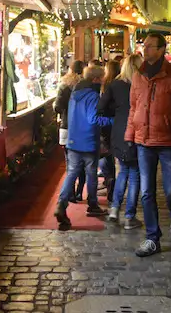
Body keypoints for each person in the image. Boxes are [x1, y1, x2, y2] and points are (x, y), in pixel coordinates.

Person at [126, 32, 171, 257]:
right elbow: (133, 108)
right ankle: (152, 237)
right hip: (143, 141)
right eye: (143, 46)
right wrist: (129, 136)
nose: (144, 49)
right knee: (146, 192)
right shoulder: (139, 75)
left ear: (161, 49)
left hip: (168, 141)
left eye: (149, 46)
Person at [54, 66, 113, 228]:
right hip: (88, 140)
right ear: (95, 79)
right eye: (101, 78)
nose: (102, 81)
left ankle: (61, 204)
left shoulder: (75, 92)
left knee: (71, 173)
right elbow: (93, 119)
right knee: (91, 173)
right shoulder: (93, 95)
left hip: (73, 140)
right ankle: (93, 204)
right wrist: (112, 121)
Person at [99, 54, 143, 229]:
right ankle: (130, 216)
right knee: (135, 174)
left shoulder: (115, 85)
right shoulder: (142, 85)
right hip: (138, 132)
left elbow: (101, 108)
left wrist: (116, 113)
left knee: (123, 172)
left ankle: (114, 209)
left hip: (118, 132)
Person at [54, 60, 86, 202]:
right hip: (82, 128)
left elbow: (58, 107)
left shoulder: (64, 85)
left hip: (67, 126)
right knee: (83, 162)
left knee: (70, 163)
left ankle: (70, 193)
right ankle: (80, 191)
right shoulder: (86, 86)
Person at [98, 60, 120, 204]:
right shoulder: (121, 84)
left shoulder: (106, 85)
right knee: (110, 152)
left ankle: (109, 179)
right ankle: (111, 181)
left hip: (106, 122)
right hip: (116, 122)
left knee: (105, 153)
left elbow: (101, 106)